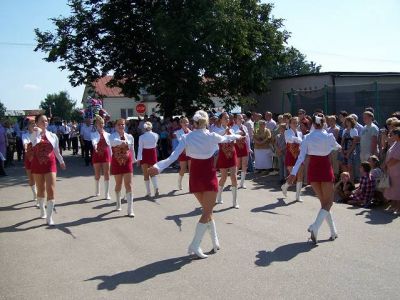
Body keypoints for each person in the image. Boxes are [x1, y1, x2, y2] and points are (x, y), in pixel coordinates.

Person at [148, 110, 243, 259]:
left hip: (195, 176)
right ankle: (195, 244)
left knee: (208, 211)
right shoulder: (211, 136)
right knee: (207, 212)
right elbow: (227, 138)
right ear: (206, 122)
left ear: (195, 122)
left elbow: (174, 156)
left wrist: (159, 166)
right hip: (208, 175)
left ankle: (215, 240)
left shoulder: (187, 137)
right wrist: (239, 135)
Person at [287, 114, 341, 244]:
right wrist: (333, 146)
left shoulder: (307, 137)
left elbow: (301, 157)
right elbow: (336, 147)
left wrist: (293, 173)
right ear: (323, 124)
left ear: (313, 124)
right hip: (325, 169)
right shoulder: (328, 136)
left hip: (313, 170)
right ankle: (315, 227)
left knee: (324, 204)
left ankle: (333, 232)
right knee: (329, 203)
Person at [30, 114, 66, 226]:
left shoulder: (53, 136)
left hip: (50, 165)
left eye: (46, 121)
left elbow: (56, 151)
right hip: (37, 165)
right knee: (41, 190)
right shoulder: (33, 135)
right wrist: (39, 132)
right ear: (37, 123)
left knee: (51, 189)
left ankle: (49, 217)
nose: (45, 123)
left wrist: (61, 161)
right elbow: (34, 143)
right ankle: (42, 210)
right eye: (42, 121)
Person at [110, 119, 135, 217]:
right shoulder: (112, 136)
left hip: (127, 162)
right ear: (115, 126)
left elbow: (132, 149)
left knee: (129, 185)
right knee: (118, 184)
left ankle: (130, 209)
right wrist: (122, 142)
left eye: (123, 124)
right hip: (116, 161)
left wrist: (134, 160)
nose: (121, 126)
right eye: (119, 124)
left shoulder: (130, 136)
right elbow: (113, 143)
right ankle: (118, 202)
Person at [214, 112, 239, 208]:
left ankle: (234, 201)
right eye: (225, 118)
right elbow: (218, 139)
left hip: (232, 154)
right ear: (220, 120)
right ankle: (219, 196)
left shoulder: (232, 130)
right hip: (223, 155)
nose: (227, 120)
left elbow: (235, 140)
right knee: (223, 177)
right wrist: (226, 131)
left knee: (234, 176)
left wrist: (236, 135)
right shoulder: (217, 130)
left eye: (228, 118)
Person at [282, 117, 304, 202]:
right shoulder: (287, 132)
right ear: (290, 124)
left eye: (296, 122)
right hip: (290, 155)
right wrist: (299, 140)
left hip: (299, 156)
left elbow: (301, 144)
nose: (295, 124)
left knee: (300, 175)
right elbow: (290, 139)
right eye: (293, 122)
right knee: (292, 177)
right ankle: (285, 186)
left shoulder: (300, 133)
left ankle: (298, 196)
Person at [91, 116, 112, 200]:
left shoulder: (108, 134)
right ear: (96, 124)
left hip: (106, 155)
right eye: (100, 123)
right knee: (97, 174)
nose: (101, 125)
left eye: (102, 123)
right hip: (97, 154)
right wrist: (95, 146)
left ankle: (107, 194)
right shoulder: (93, 134)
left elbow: (111, 146)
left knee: (107, 173)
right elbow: (94, 141)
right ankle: (97, 190)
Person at [137, 121, 159, 197]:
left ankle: (148, 192)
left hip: (145, 154)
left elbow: (140, 148)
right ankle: (156, 187)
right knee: (153, 173)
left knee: (146, 174)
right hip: (153, 153)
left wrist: (138, 159)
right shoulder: (156, 135)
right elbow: (155, 144)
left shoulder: (141, 137)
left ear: (144, 128)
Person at [382, 127, 400, 214]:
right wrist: (385, 164)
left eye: (392, 134)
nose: (390, 136)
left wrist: (387, 164)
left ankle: (398, 208)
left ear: (397, 135)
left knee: (397, 189)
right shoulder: (395, 143)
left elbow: (396, 158)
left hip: (397, 170)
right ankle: (394, 206)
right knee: (392, 188)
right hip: (391, 170)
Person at [232, 114, 250, 189]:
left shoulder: (245, 127)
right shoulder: (233, 128)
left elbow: (248, 138)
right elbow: (232, 138)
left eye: (242, 118)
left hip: (244, 146)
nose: (241, 119)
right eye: (239, 118)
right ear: (235, 119)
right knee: (238, 165)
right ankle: (234, 181)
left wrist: (249, 148)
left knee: (245, 164)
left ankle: (242, 183)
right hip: (237, 147)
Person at [22, 119, 37, 206]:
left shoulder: (38, 134)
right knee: (31, 178)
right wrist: (26, 147)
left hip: (37, 158)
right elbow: (25, 143)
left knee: (38, 177)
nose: (33, 125)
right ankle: (35, 193)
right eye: (31, 124)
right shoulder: (25, 135)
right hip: (28, 157)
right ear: (27, 126)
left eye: (34, 123)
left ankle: (39, 196)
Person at [174, 117, 191, 190]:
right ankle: (179, 182)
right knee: (183, 169)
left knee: (191, 169)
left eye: (187, 122)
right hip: (182, 152)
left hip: (190, 152)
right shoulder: (178, 132)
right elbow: (180, 140)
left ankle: (191, 185)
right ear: (181, 124)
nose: (186, 124)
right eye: (184, 122)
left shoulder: (191, 132)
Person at [340, 116, 359, 182]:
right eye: (346, 121)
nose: (347, 123)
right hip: (344, 151)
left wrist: (348, 152)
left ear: (352, 122)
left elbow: (354, 143)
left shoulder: (354, 130)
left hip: (351, 151)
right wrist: (342, 151)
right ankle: (346, 182)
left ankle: (351, 183)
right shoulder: (344, 130)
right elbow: (342, 142)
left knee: (350, 168)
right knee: (344, 167)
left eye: (349, 121)